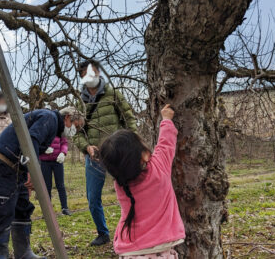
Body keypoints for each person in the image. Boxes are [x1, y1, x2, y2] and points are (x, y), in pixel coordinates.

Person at [0, 107, 84, 259]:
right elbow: (30, 141)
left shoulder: (51, 125)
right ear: (68, 118)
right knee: (3, 211)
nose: (74, 131)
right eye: (76, 126)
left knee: (23, 207)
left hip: (17, 169)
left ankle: (23, 253)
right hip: (2, 167)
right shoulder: (49, 118)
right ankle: (1, 254)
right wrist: (32, 172)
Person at [99, 105, 185, 259]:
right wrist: (166, 120)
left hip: (130, 252)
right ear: (144, 155)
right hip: (159, 250)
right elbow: (166, 143)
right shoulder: (159, 169)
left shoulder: (120, 184)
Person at [73, 60, 138, 246]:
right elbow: (76, 134)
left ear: (99, 73)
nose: (90, 77)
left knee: (130, 192)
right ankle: (103, 233)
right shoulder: (81, 103)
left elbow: (129, 119)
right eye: (86, 74)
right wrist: (86, 147)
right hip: (95, 158)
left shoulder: (113, 94)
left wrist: (130, 144)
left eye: (93, 72)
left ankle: (134, 230)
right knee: (93, 198)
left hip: (117, 155)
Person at [39, 136, 71, 216]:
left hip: (58, 160)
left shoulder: (59, 129)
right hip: (44, 162)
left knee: (60, 185)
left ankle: (65, 208)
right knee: (47, 187)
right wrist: (43, 149)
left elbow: (64, 143)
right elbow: (36, 143)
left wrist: (63, 153)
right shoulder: (42, 129)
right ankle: (47, 211)